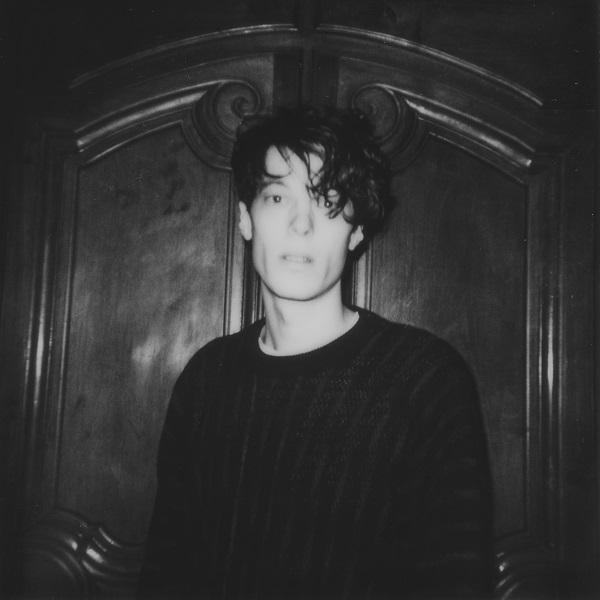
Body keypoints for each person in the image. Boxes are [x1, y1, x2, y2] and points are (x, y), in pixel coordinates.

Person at [138, 105, 493, 599]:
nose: (300, 224)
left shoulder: (425, 381)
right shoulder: (206, 378)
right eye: (277, 196)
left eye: (327, 199)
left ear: (357, 229)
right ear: (245, 219)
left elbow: (455, 581)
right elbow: (167, 570)